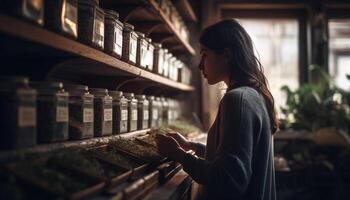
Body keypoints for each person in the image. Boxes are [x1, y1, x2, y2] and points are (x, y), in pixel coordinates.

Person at [155, 19, 278, 200]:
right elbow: (234, 156)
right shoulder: (253, 95)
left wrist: (179, 155)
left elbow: (228, 180)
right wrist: (192, 147)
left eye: (204, 55)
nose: (200, 65)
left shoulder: (237, 100)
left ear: (226, 55)